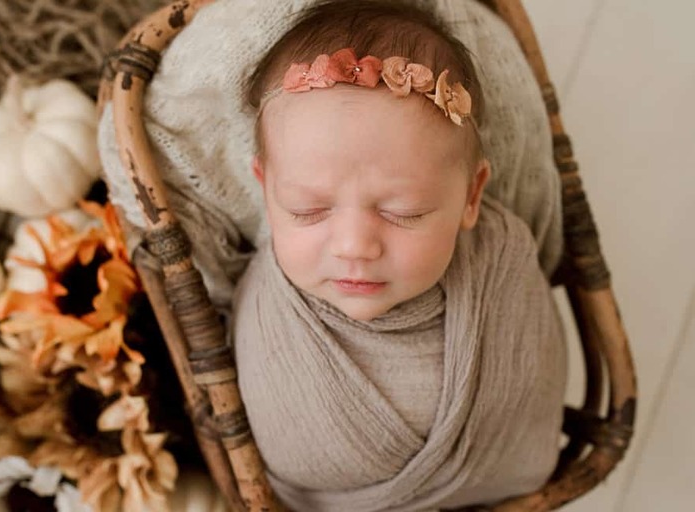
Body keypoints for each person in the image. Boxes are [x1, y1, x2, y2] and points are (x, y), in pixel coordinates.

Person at [232, 1, 567, 510]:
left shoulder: (503, 264)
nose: (354, 246)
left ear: (471, 198)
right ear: (266, 188)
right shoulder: (265, 306)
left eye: (404, 212)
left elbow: (531, 395)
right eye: (308, 209)